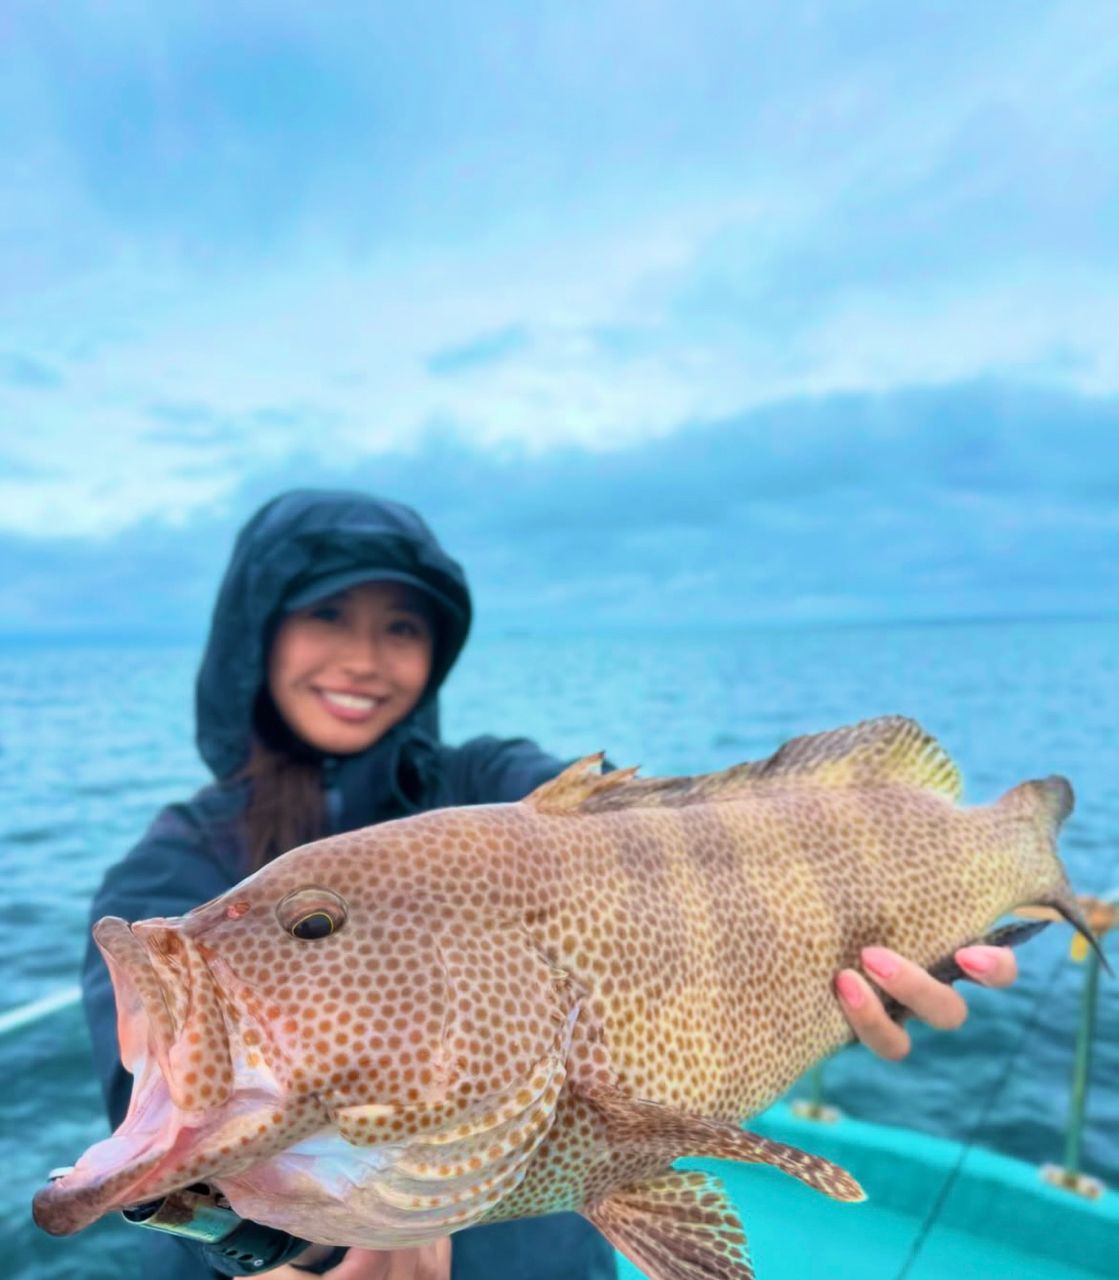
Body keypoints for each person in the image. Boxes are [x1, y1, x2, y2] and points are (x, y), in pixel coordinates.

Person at [82, 488, 1018, 1280]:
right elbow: (162, 1141)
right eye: (327, 614)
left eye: (401, 626)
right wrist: (275, 1250)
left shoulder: (494, 783)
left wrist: (874, 940)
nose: (365, 658)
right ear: (256, 637)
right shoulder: (171, 868)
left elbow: (651, 845)